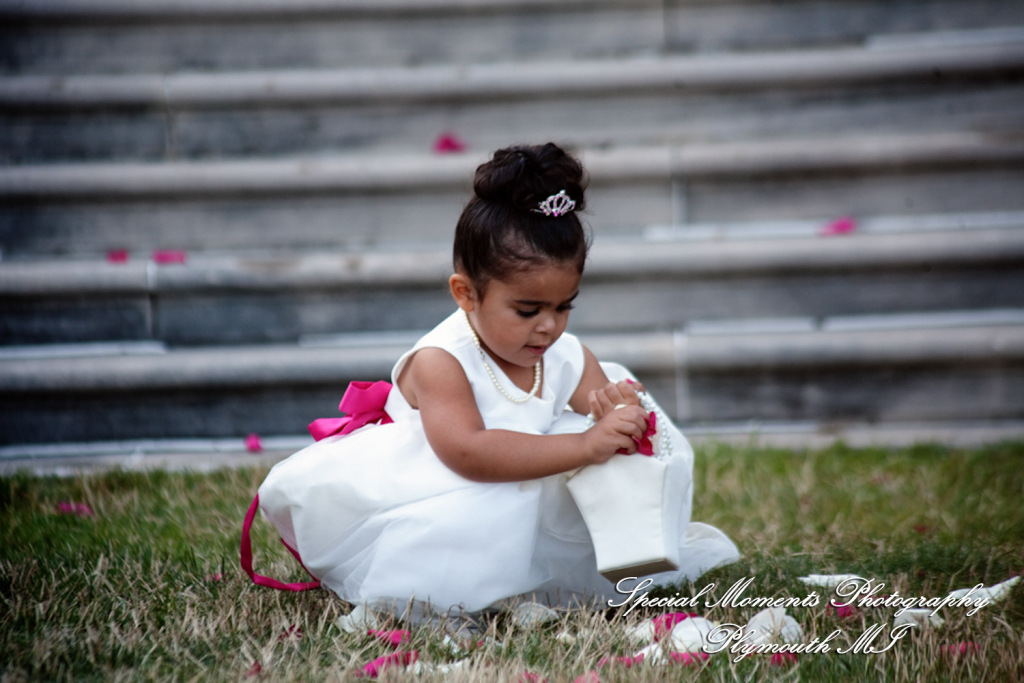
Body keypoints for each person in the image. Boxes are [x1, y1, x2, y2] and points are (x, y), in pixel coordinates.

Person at [256, 142, 738, 623]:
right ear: (466, 293)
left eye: (564, 306)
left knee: (601, 464)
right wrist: (586, 445)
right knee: (478, 515)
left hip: (526, 491)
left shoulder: (563, 353)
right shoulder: (442, 361)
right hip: (452, 490)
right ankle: (462, 588)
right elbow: (469, 453)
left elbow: (599, 404)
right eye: (528, 310)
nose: (549, 326)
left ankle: (565, 572)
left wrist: (617, 409)